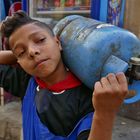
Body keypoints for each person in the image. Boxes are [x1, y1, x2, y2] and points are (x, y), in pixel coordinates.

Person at [0, 11, 128, 140]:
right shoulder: (27, 81)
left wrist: (105, 113)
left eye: (40, 40)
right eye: (21, 52)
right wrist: (20, 58)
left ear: (58, 43)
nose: (32, 51)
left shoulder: (89, 98)